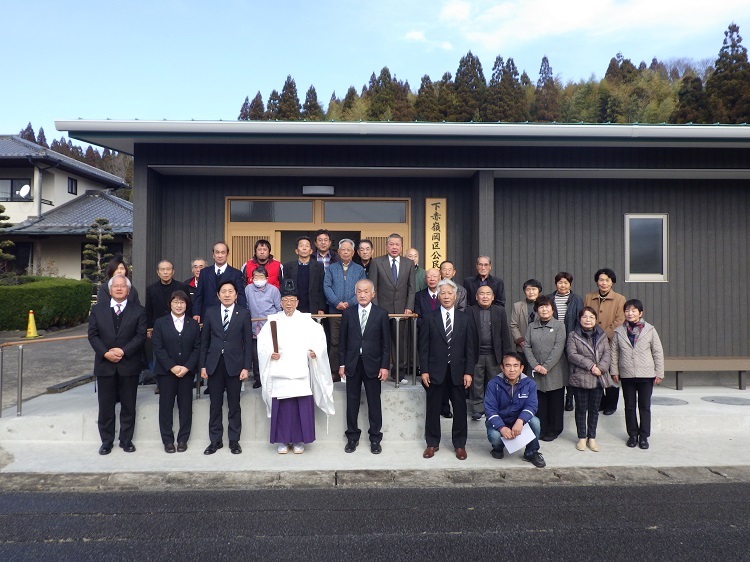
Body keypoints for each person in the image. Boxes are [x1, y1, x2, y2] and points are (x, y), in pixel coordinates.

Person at [258, 280, 335, 454]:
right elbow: (262, 344)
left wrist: (315, 351)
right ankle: (283, 441)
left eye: (292, 300)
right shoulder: (273, 321)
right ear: (281, 302)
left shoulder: (306, 321)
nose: (289, 303)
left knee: (301, 406)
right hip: (280, 371)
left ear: (297, 302)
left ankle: (300, 440)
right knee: (283, 407)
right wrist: (270, 353)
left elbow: (319, 339)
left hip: (300, 371)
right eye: (285, 300)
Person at [88, 274, 147, 455]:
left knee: (128, 406)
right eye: (116, 286)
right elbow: (93, 335)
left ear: (128, 290)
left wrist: (123, 351)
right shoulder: (98, 310)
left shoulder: (138, 310)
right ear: (110, 290)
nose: (119, 289)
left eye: (123, 286)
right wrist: (106, 353)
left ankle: (126, 440)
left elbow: (140, 335)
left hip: (128, 364)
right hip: (105, 365)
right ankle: (106, 441)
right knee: (106, 406)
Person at [419, 279, 476, 460]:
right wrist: (424, 370)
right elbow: (423, 347)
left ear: (456, 295)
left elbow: (470, 348)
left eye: (449, 293)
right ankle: (432, 443)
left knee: (459, 409)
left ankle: (459, 445)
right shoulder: (429, 317)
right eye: (442, 293)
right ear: (438, 295)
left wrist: (468, 372)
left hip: (458, 372)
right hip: (435, 371)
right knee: (433, 408)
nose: (446, 296)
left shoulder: (465, 318)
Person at [199, 280, 253, 455]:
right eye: (224, 291)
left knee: (234, 404)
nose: (227, 294)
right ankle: (215, 441)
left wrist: (246, 367)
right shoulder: (211, 312)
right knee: (215, 404)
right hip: (214, 364)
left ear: (236, 295)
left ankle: (234, 440)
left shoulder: (243, 313)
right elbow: (204, 341)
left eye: (231, 291)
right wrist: (203, 366)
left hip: (235, 365)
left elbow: (248, 343)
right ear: (218, 294)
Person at [339, 279, 390, 454]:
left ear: (373, 294)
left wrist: (384, 366)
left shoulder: (381, 314)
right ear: (355, 293)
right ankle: (352, 437)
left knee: (374, 402)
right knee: (351, 402)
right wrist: (342, 364)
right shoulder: (348, 313)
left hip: (374, 365)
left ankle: (375, 438)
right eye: (359, 291)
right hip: (352, 364)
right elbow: (342, 342)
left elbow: (386, 343)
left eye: (366, 291)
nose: (362, 294)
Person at [611, 299, 664, 450]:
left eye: (634, 311)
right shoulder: (619, 331)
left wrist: (659, 372)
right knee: (629, 406)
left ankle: (644, 436)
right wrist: (614, 371)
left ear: (640, 313)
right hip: (626, 374)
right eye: (627, 310)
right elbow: (614, 352)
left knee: (644, 406)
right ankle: (632, 435)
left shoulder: (650, 330)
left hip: (646, 373)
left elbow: (657, 351)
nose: (630, 313)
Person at [151, 290, 200, 453]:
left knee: (185, 407)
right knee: (166, 407)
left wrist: (186, 367)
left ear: (187, 305)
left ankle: (183, 439)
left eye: (182, 302)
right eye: (175, 302)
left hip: (187, 373)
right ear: (170, 304)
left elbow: (197, 348)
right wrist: (172, 366)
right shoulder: (160, 323)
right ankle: (167, 440)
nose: (179, 305)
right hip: (166, 373)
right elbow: (158, 347)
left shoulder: (192, 324)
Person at [484, 351, 546, 468]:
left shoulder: (530, 384)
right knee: (495, 437)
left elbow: (532, 406)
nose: (512, 370)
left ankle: (531, 452)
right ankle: (498, 448)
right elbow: (490, 409)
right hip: (500, 422)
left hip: (518, 421)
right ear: (502, 367)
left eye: (515, 365)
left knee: (535, 422)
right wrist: (501, 427)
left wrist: (520, 421)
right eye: (508, 365)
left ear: (522, 368)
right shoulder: (493, 384)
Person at [371, 233, 416, 383]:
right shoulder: (377, 262)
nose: (394, 247)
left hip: (402, 310)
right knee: (381, 341)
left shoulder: (408, 263)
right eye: (391, 244)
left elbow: (411, 288)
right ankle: (378, 370)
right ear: (386, 246)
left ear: (401, 246)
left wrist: (409, 307)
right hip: (382, 310)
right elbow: (373, 288)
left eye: (397, 244)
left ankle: (399, 374)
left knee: (400, 343)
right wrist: (375, 309)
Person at [566, 307, 612, 452]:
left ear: (595, 319)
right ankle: (581, 438)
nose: (588, 320)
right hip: (580, 377)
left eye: (591, 317)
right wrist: (591, 366)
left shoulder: (602, 335)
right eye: (585, 317)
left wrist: (601, 368)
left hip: (598, 378)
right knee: (580, 409)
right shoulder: (573, 335)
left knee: (593, 410)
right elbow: (572, 354)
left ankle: (591, 438)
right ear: (579, 319)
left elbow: (607, 354)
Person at [523, 295, 568, 442]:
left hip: (555, 370)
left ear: (552, 309)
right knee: (539, 401)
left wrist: (545, 366)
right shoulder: (531, 326)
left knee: (555, 401)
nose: (544, 309)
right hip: (535, 371)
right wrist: (535, 365)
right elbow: (527, 347)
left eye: (547, 306)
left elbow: (558, 348)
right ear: (536, 310)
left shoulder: (559, 326)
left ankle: (554, 429)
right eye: (541, 307)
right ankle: (541, 428)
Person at [584, 268, 626, 415]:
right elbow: (585, 316)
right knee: (596, 371)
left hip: (611, 341)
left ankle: (611, 404)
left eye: (607, 280)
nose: (604, 283)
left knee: (611, 371)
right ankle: (599, 402)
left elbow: (620, 320)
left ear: (612, 282)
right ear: (597, 281)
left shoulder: (620, 299)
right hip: (591, 341)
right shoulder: (589, 297)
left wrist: (604, 334)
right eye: (601, 280)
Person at [467, 285, 512, 421]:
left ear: (493, 297)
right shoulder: (469, 311)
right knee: (477, 382)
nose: (485, 296)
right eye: (482, 294)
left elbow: (505, 334)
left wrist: (507, 356)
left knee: (495, 382)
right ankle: (477, 408)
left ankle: (493, 408)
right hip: (476, 354)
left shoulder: (499, 311)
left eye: (488, 294)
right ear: (476, 297)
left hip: (495, 354)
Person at [323, 239, 366, 378]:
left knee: (352, 340)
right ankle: (334, 371)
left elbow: (362, 288)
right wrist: (336, 302)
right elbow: (326, 286)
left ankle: (351, 369)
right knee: (335, 341)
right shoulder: (331, 268)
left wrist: (350, 303)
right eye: (343, 249)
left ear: (353, 253)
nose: (346, 252)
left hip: (353, 311)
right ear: (338, 251)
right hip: (335, 311)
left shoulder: (359, 269)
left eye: (349, 250)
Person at [548, 271, 584, 411]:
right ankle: (557, 396)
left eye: (566, 283)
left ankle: (569, 398)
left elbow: (579, 320)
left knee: (570, 368)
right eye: (560, 282)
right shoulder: (549, 298)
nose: (563, 285)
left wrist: (575, 337)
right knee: (556, 367)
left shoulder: (577, 299)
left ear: (570, 284)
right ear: (556, 283)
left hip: (571, 337)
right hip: (553, 338)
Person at [245, 266, 282, 389]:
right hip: (253, 328)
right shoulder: (248, 289)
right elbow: (246, 306)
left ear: (266, 278)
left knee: (270, 353)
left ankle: (271, 377)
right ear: (251, 278)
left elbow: (279, 308)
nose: (258, 279)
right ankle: (258, 378)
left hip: (269, 329)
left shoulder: (274, 290)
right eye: (256, 277)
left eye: (261, 277)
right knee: (256, 355)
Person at [193, 242, 246, 322]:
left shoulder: (236, 274)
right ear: (213, 254)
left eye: (223, 252)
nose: (220, 255)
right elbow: (199, 294)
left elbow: (240, 295)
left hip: (229, 315)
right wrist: (196, 313)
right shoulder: (204, 272)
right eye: (217, 252)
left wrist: (242, 314)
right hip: (207, 314)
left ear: (227, 254)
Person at [282, 236, 326, 315]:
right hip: (294, 306)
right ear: (296, 251)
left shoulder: (319, 266)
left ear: (311, 250)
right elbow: (285, 289)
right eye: (301, 246)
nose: (304, 248)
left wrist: (321, 308)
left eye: (307, 246)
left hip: (313, 306)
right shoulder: (288, 266)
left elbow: (321, 288)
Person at [510, 279, 542, 359]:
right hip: (522, 346)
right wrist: (521, 342)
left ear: (539, 290)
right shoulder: (517, 306)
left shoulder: (545, 305)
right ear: (524, 291)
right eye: (528, 289)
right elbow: (513, 325)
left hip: (540, 346)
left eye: (534, 289)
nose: (531, 292)